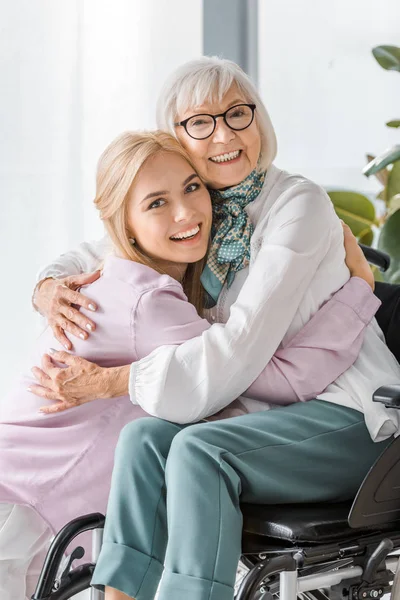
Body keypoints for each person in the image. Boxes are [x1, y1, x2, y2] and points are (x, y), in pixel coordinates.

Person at [27, 57, 400, 600]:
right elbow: (103, 244)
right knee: (145, 437)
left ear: (259, 119)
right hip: (270, 417)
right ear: (175, 137)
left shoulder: (298, 205)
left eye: (237, 114)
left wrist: (118, 380)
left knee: (202, 451)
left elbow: (242, 346)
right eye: (199, 122)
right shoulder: (197, 210)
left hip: (353, 416)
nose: (224, 133)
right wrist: (47, 285)